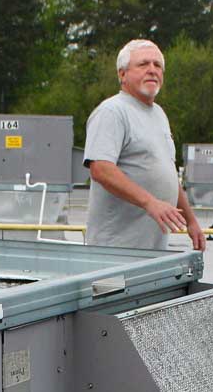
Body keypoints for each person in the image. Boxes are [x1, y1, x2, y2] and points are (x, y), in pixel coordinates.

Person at [82, 39, 205, 251]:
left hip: (153, 249)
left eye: (157, 65)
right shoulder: (112, 112)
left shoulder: (159, 114)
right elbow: (101, 169)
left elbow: (168, 175)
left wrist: (191, 221)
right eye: (143, 64)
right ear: (122, 74)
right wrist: (150, 202)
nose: (152, 70)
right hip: (115, 250)